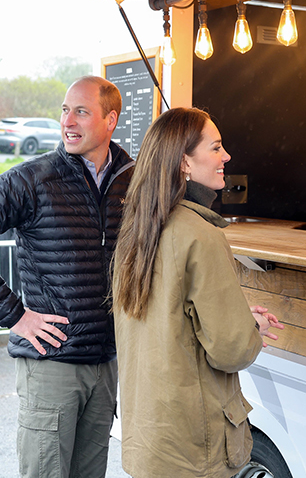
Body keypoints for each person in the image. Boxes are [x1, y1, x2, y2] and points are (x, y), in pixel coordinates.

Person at [0, 76, 134, 478]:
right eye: (64, 110)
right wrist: (17, 317)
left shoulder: (133, 179)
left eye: (81, 111)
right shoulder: (33, 178)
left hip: (107, 364)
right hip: (52, 365)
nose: (68, 121)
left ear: (110, 119)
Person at [112, 107, 283, 478]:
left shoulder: (137, 229)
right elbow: (231, 349)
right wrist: (249, 329)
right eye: (216, 148)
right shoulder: (202, 235)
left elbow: (168, 322)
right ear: (184, 163)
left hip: (151, 438)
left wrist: (240, 318)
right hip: (194, 445)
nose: (227, 157)